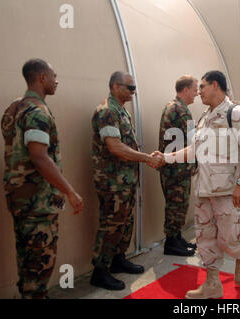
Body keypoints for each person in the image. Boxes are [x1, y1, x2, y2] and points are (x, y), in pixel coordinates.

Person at [155, 70, 240, 299]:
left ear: (215, 85)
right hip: (203, 187)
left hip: (228, 189)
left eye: (201, 87)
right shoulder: (204, 117)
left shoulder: (237, 114)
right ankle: (212, 284)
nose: (198, 92)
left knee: (229, 238)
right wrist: (166, 157)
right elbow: (193, 150)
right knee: (205, 237)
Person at [1, 58, 84, 298]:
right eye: (53, 76)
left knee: (26, 261)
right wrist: (70, 191)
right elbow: (39, 157)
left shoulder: (14, 107)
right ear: (42, 78)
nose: (57, 81)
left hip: (19, 199)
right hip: (37, 202)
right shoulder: (37, 111)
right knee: (40, 264)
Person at [90, 71, 163, 291]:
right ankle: (100, 271)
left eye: (134, 88)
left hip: (125, 180)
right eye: (129, 88)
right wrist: (146, 158)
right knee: (111, 224)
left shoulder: (120, 110)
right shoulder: (107, 111)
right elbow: (115, 147)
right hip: (112, 182)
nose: (134, 92)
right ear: (114, 87)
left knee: (124, 222)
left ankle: (117, 259)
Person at [158, 75, 198, 256]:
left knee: (178, 205)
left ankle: (176, 238)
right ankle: (172, 243)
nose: (197, 94)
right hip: (177, 169)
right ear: (186, 90)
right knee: (176, 205)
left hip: (176, 167)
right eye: (195, 90)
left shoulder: (175, 107)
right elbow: (193, 141)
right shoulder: (179, 110)